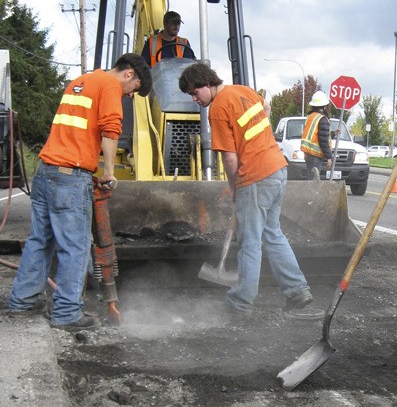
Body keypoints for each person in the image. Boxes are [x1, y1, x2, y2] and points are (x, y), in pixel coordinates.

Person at [8, 53, 152, 330]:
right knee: (75, 246)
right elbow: (110, 131)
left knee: (40, 240)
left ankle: (23, 301)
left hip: (46, 170)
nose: (129, 96)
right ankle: (67, 313)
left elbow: (79, 131)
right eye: (133, 91)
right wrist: (109, 172)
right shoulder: (109, 86)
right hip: (70, 176)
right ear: (129, 74)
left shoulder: (80, 80)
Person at [178, 62, 318, 320]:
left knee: (249, 242)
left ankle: (240, 303)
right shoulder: (244, 91)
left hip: (254, 177)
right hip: (277, 169)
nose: (194, 99)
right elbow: (265, 107)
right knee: (273, 234)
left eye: (194, 93)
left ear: (206, 84)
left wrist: (234, 188)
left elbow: (230, 159)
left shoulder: (218, 109)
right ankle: (298, 292)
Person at [300, 90, 334, 180]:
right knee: (313, 182)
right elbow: (323, 140)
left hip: (308, 154)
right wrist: (329, 157)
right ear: (324, 106)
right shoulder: (322, 119)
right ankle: (310, 194)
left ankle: (309, 193)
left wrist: (333, 134)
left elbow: (316, 134)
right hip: (315, 155)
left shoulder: (311, 116)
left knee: (310, 179)